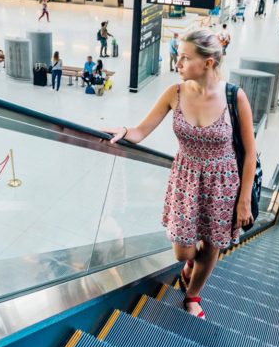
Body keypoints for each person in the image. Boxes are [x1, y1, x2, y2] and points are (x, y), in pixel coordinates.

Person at [102, 28, 255, 320]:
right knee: (183, 252)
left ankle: (193, 294)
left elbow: (250, 152)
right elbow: (140, 130)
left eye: (185, 58)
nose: (177, 65)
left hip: (223, 182)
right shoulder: (174, 93)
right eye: (178, 57)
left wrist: (244, 200)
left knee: (212, 244)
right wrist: (124, 131)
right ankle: (188, 267)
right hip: (185, 180)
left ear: (208, 63)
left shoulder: (235, 98)